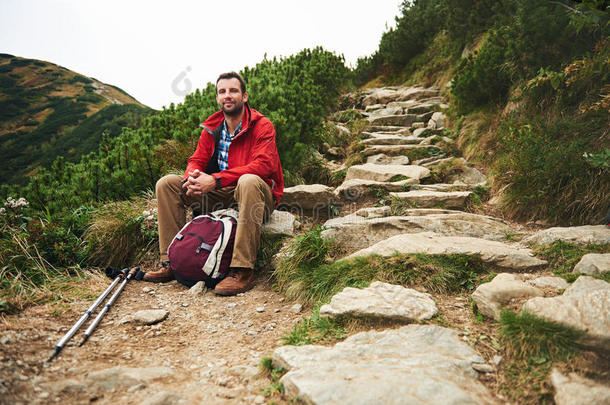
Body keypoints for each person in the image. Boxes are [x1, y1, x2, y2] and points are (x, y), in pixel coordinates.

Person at [144, 72, 284, 296]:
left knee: (248, 181)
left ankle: (242, 269)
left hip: (255, 193)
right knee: (167, 184)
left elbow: (263, 166)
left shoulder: (262, 125)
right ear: (218, 98)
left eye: (233, 91)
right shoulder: (212, 127)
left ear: (244, 96)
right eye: (222, 92)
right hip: (222, 192)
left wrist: (216, 180)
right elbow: (196, 159)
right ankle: (171, 262)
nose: (227, 96)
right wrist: (193, 176)